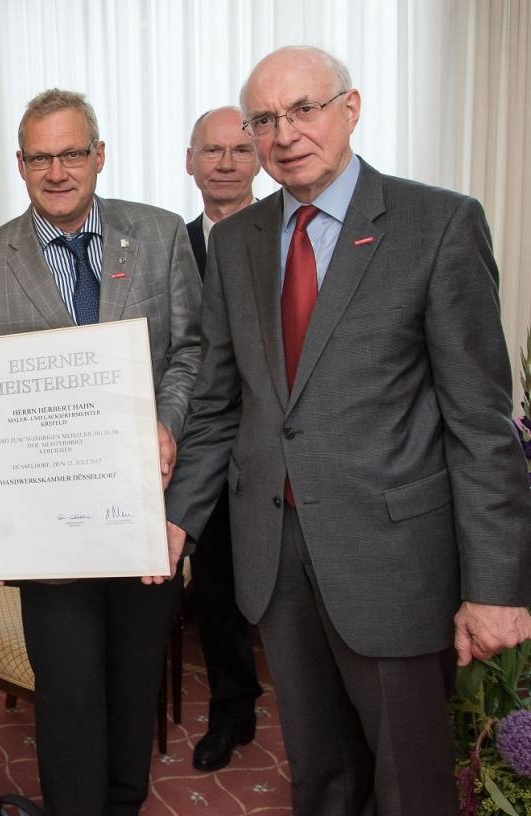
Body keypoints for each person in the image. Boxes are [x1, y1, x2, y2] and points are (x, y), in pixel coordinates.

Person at [163, 46, 531, 814]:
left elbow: (479, 423)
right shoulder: (236, 244)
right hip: (277, 560)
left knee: (409, 783)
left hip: (394, 564)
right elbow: (218, 405)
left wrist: (495, 588)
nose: (284, 132)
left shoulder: (436, 224)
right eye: (265, 118)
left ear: (350, 108)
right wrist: (176, 521)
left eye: (304, 109)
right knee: (320, 775)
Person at [0, 89, 202, 815]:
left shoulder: (158, 236)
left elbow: (190, 353)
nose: (55, 170)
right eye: (39, 156)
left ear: (98, 155)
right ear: (19, 164)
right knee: (66, 697)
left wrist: (166, 421)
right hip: (45, 528)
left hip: (139, 517)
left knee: (132, 688)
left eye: (70, 153)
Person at [182, 106, 264, 772]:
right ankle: (231, 710)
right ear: (190, 161)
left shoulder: (290, 235)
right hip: (198, 450)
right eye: (212, 151)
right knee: (215, 591)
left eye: (240, 149)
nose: (226, 162)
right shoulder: (166, 247)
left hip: (278, 450)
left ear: (259, 157)